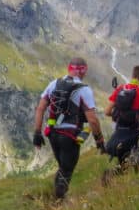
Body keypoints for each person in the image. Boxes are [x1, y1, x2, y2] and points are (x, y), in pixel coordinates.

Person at [32, 58, 104, 198]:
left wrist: (37, 133)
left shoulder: (53, 84)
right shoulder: (84, 89)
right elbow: (93, 120)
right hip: (70, 136)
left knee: (62, 167)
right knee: (67, 171)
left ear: (69, 68)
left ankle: (53, 198)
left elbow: (40, 108)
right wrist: (99, 139)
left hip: (52, 133)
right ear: (83, 70)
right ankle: (58, 204)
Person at [103, 65, 139, 180]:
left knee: (124, 161)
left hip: (119, 131)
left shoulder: (120, 89)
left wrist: (120, 117)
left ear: (133, 75)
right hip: (135, 132)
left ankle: (112, 176)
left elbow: (107, 111)